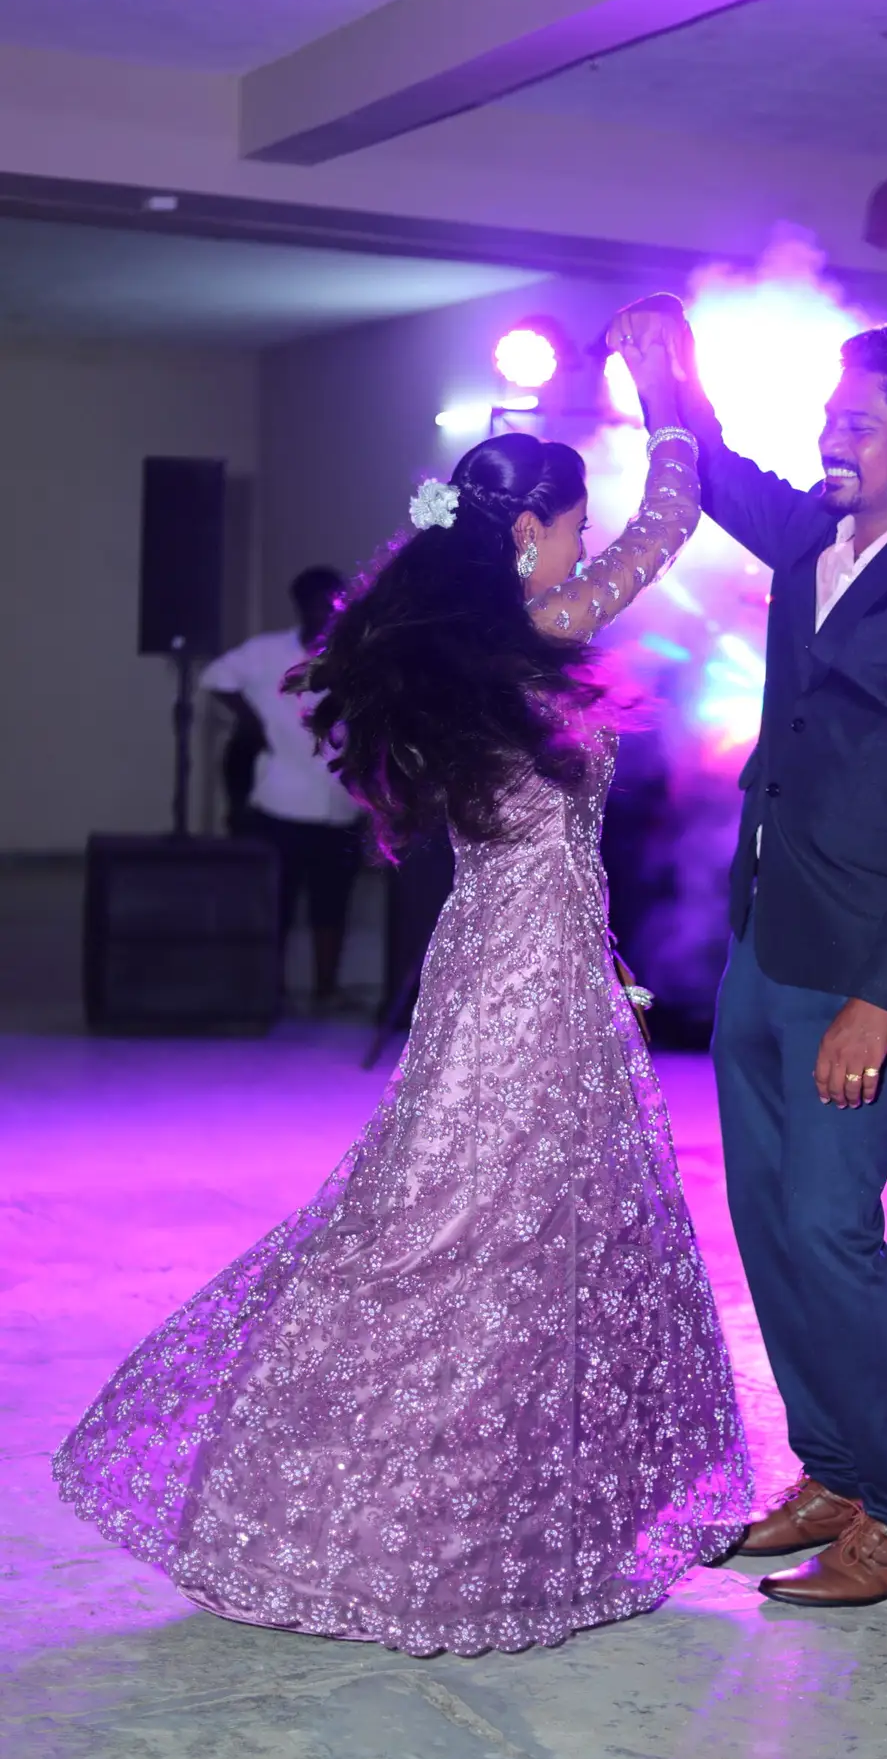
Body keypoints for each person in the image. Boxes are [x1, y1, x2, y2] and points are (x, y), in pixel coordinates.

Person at [54, 339, 751, 1658]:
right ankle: (383, 1516)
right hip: (523, 971)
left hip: (513, 954)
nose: (583, 546)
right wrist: (668, 403)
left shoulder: (465, 651)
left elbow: (546, 850)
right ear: (530, 534)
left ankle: (473, 1504)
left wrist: (602, 954)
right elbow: (667, 526)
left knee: (489, 1227)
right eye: (571, 526)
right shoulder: (534, 634)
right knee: (481, 1233)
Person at [609, 299, 887, 1608]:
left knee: (828, 1225)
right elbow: (717, 470)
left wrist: (881, 997)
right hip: (770, 934)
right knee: (766, 1219)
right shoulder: (812, 539)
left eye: (858, 423)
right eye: (829, 417)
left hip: (863, 963)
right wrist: (666, 379)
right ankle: (837, 1471)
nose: (830, 439)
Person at [201, 567, 362, 1007]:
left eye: (336, 604)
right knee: (277, 902)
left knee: (332, 903)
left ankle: (326, 989)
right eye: (320, 604)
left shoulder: (354, 658)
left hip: (338, 802)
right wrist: (249, 720)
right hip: (280, 802)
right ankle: (268, 987)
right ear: (301, 606)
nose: (328, 613)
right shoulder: (267, 652)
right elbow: (214, 677)